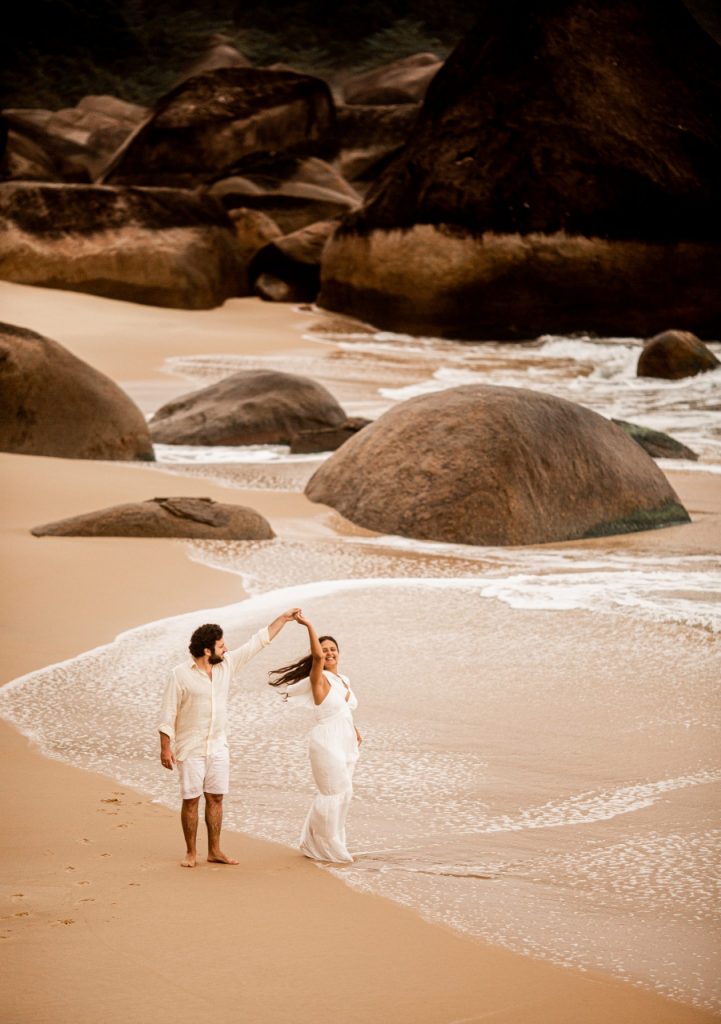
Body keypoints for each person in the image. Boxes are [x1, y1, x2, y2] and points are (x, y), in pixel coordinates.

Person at [158, 608, 300, 868]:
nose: (226, 649)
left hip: (218, 746)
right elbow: (168, 713)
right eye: (221, 646)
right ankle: (191, 852)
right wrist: (165, 748)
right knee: (190, 800)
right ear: (206, 651)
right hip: (190, 748)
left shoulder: (227, 666)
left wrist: (283, 619)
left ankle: (214, 851)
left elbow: (258, 642)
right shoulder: (180, 675)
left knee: (216, 798)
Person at [269, 611, 362, 864]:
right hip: (327, 742)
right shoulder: (318, 678)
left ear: (339, 652)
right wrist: (308, 625)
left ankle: (320, 841)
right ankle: (327, 846)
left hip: (345, 742)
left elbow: (344, 709)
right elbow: (318, 658)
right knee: (332, 792)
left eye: (333, 649)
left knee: (345, 793)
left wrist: (354, 731)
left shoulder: (344, 680)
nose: (329, 652)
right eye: (324, 650)